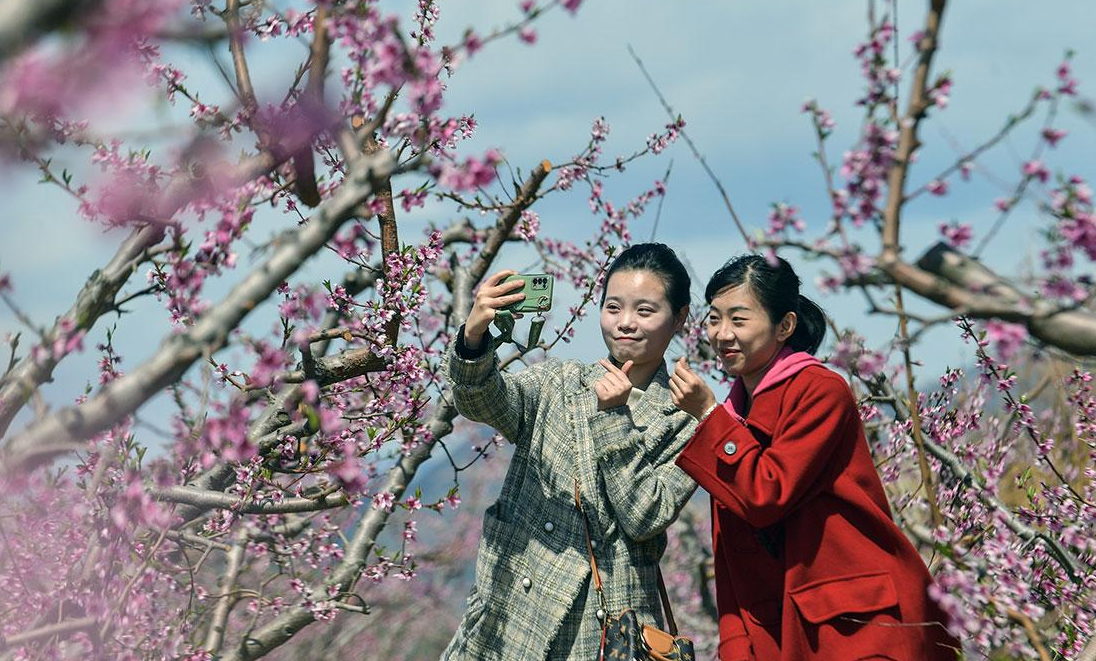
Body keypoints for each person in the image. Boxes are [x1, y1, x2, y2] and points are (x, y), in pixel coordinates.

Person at [668, 254, 959, 661]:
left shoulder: (819, 390)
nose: (722, 334)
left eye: (739, 319)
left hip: (853, 629)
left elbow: (767, 493)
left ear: (784, 325)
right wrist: (734, 644)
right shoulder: (731, 418)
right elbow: (730, 554)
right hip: (777, 630)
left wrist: (709, 416)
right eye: (714, 319)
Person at [440, 243, 699, 661]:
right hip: (512, 615)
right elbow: (482, 402)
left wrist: (613, 418)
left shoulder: (685, 420)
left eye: (645, 311)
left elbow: (644, 515)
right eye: (613, 308)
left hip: (609, 630)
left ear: (680, 317)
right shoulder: (559, 382)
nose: (625, 323)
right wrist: (473, 337)